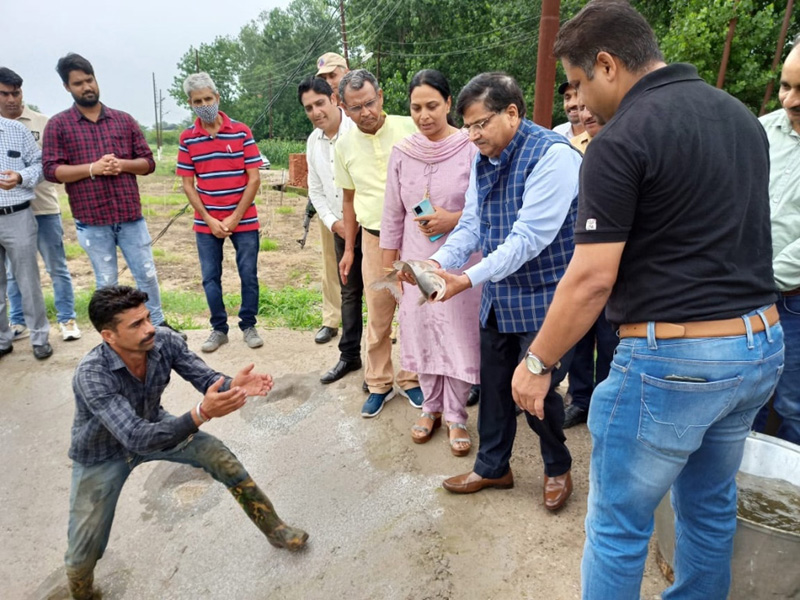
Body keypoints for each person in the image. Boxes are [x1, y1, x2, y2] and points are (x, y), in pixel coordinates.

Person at [512, 3, 783, 598]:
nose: (580, 102)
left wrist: (537, 363)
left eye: (580, 83)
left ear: (607, 64)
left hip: (676, 361)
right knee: (710, 508)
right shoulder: (741, 118)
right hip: (759, 346)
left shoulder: (621, 139)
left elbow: (590, 280)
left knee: (618, 526)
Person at [64, 285, 308, 600]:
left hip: (154, 426)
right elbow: (135, 437)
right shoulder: (92, 374)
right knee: (83, 547)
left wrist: (233, 385)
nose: (149, 328)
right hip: (102, 454)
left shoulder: (163, 341)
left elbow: (206, 379)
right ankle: (83, 593)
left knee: (220, 457)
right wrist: (201, 413)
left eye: (148, 318)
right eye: (136, 324)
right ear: (109, 336)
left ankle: (275, 529)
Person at [415, 72, 581, 510]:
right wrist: (438, 264)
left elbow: (528, 239)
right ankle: (493, 467)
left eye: (480, 124)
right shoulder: (481, 158)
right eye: (467, 126)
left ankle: (557, 466)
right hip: (499, 294)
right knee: (494, 388)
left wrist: (466, 279)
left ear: (512, 112)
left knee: (536, 392)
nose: (472, 136)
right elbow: (471, 224)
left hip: (546, 293)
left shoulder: (553, 156)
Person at [42, 53, 183, 338]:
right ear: (67, 87)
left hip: (130, 216)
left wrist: (122, 165)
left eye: (90, 80)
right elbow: (51, 170)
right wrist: (92, 168)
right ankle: (115, 334)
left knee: (147, 275)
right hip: (92, 220)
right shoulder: (59, 125)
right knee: (106, 282)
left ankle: (157, 324)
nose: (87, 87)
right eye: (78, 83)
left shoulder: (123, 120)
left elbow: (148, 163)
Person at [381, 69, 481, 456]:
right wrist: (391, 262)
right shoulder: (403, 152)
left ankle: (456, 415)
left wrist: (450, 219)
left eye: (432, 106)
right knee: (421, 327)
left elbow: (484, 207)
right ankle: (430, 407)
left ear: (449, 104)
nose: (424, 115)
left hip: (461, 256)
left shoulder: (470, 148)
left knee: (456, 331)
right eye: (416, 108)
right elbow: (392, 210)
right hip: (414, 254)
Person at [334, 69, 423, 417]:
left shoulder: (409, 127)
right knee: (379, 313)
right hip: (373, 239)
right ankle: (379, 384)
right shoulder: (344, 146)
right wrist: (350, 250)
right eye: (355, 108)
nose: (365, 112)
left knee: (415, 312)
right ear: (343, 108)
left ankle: (412, 379)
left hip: (415, 238)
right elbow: (348, 199)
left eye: (369, 103)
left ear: (381, 97)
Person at [176, 72, 264, 353]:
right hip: (207, 222)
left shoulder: (241, 132)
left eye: (208, 98)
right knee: (210, 276)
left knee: (248, 273)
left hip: (244, 218)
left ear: (218, 98)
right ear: (190, 103)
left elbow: (254, 179)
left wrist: (234, 217)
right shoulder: (188, 139)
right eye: (197, 101)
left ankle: (248, 325)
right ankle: (219, 329)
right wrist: (210, 219)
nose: (204, 104)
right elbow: (188, 185)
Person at [0, 67, 80, 342]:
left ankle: (67, 319)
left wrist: (22, 177)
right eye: (4, 94)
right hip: (7, 212)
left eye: (16, 93)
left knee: (55, 266)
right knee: (13, 272)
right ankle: (18, 321)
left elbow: (51, 165)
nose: (11, 99)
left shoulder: (43, 123)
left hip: (43, 208)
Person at [299, 76, 364, 383]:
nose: (315, 112)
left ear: (334, 99)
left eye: (320, 103)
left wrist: (358, 219)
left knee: (387, 293)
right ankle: (349, 356)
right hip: (340, 228)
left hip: (372, 226)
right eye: (308, 107)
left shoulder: (358, 130)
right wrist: (333, 222)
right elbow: (316, 189)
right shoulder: (313, 142)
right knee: (349, 292)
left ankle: (395, 368)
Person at [752, 37, 800, 445]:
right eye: (786, 86)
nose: (789, 100)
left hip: (793, 300)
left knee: (793, 405)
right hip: (745, 291)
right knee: (744, 398)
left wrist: (757, 278)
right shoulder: (762, 130)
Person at [562, 102, 616, 429]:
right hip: (578, 253)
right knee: (578, 334)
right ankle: (580, 399)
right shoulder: (571, 148)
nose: (584, 113)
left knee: (610, 339)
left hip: (614, 263)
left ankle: (605, 404)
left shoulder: (627, 142)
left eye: (588, 106)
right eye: (579, 107)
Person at [0, 115, 51, 359]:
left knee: (27, 281)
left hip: (16, 216)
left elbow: (41, 164)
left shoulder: (15, 129)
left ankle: (39, 337)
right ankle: (2, 339)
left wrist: (20, 177)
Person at [312, 54, 350, 346]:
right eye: (323, 79)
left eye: (333, 76)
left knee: (379, 271)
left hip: (364, 215)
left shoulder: (360, 120)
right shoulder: (315, 136)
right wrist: (332, 220)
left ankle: (388, 327)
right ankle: (331, 319)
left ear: (346, 73)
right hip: (331, 215)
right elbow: (316, 185)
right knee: (331, 266)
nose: (329, 83)